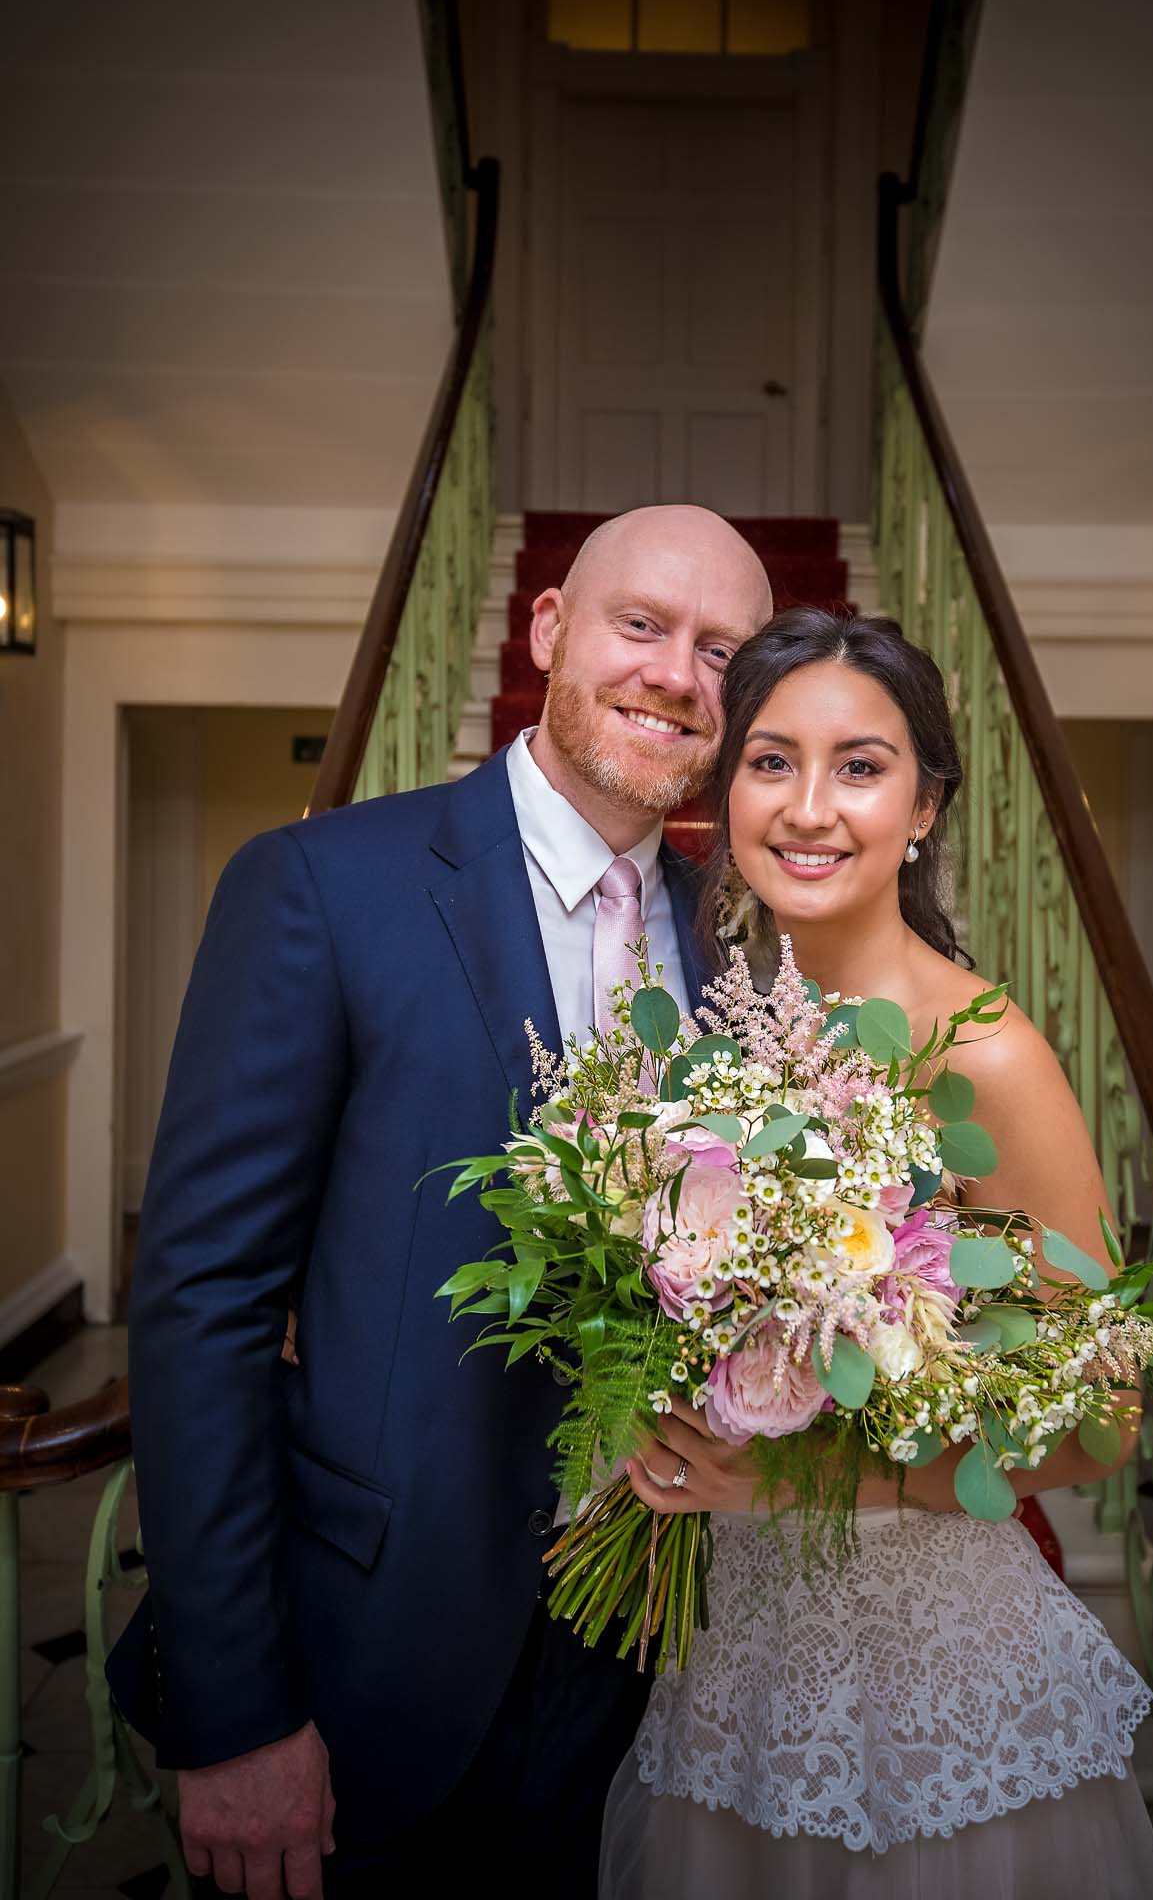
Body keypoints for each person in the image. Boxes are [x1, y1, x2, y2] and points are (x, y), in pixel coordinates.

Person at [107, 505, 773, 1899]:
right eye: (640, 626)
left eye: (723, 650)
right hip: (373, 1652)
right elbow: (202, 1302)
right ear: (548, 633)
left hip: (654, 1659)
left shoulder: (740, 942)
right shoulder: (322, 886)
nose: (675, 673)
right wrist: (233, 1711)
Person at [601, 608, 1153, 1898]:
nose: (810, 808)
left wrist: (791, 1482)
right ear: (725, 794)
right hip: (733, 1665)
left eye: (862, 765)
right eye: (769, 760)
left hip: (926, 1688)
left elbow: (1100, 1426)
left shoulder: (988, 1057)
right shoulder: (720, 1033)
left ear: (924, 809)